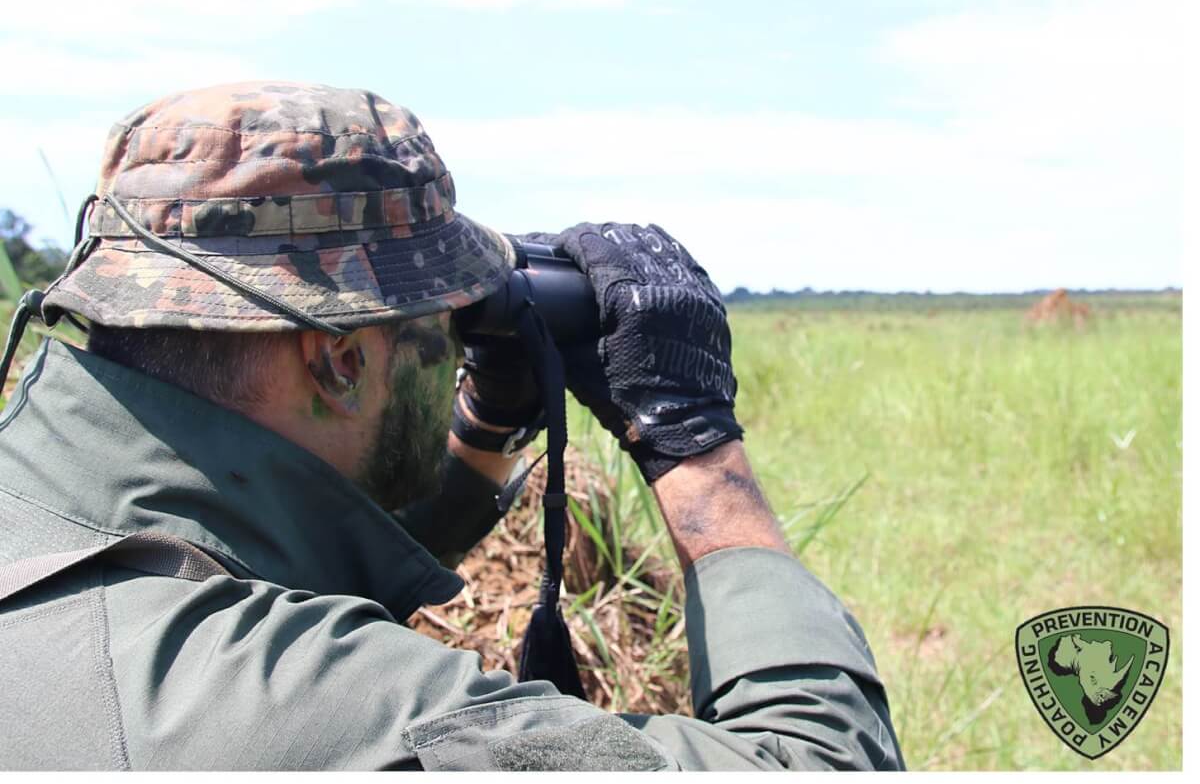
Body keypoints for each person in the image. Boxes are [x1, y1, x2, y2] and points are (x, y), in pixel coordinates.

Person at [0, 82, 904, 771]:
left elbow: (243, 539)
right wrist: (692, 438)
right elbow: (820, 764)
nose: (455, 345)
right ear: (339, 361)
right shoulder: (327, 708)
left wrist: (484, 421)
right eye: (434, 329)